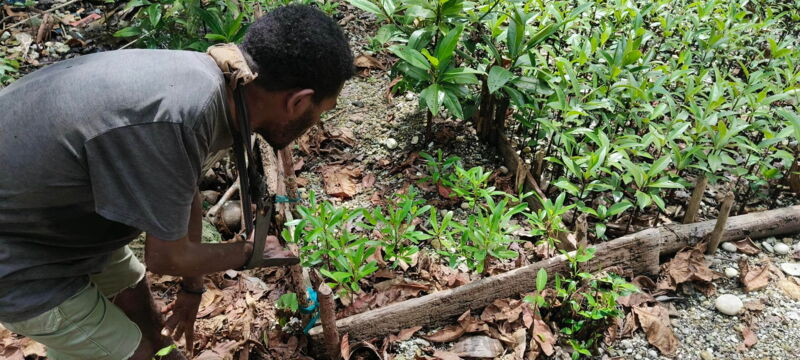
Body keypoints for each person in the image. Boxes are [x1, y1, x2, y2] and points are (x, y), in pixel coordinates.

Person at [0, 5, 354, 359]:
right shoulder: (178, 117)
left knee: (150, 327)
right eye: (321, 112)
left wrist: (193, 288)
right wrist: (246, 253)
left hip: (60, 224)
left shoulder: (218, 86)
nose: (316, 122)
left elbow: (186, 192)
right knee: (136, 352)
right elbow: (165, 257)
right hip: (21, 256)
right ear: (298, 101)